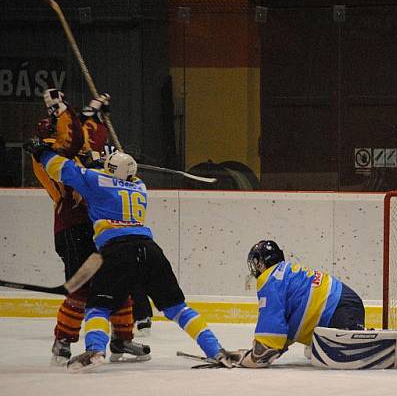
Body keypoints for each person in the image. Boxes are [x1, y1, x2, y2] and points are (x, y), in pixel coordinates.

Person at [25, 110, 238, 372]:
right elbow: (119, 175)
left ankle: (94, 349)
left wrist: (40, 152)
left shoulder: (95, 181)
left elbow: (63, 170)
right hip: (150, 250)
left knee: (97, 306)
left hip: (116, 251)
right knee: (178, 308)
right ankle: (215, 349)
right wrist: (103, 162)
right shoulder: (139, 186)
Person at [30, 90, 148, 365]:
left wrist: (94, 109)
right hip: (72, 228)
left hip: (100, 230)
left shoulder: (78, 152)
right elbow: (72, 143)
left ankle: (121, 338)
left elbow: (82, 132)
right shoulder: (48, 157)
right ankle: (63, 340)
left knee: (118, 282)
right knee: (82, 289)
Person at [236, 240, 365, 368]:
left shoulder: (270, 280)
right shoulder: (287, 272)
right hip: (346, 302)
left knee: (338, 350)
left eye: (256, 262)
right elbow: (288, 324)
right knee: (312, 352)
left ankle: (354, 337)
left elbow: (271, 329)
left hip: (341, 309)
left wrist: (252, 357)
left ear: (262, 262)